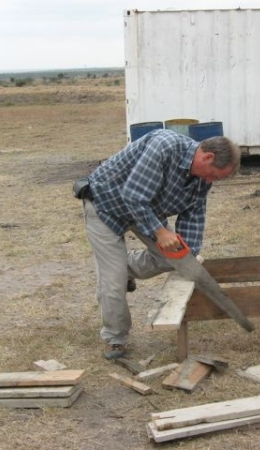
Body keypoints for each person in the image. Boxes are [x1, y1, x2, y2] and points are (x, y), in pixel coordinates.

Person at [81, 128, 241, 359]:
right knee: (112, 283)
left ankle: (123, 268)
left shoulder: (200, 181)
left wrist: (188, 257)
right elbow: (133, 196)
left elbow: (193, 218)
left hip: (146, 210)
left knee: (171, 259)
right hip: (106, 205)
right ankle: (116, 338)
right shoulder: (164, 146)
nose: (210, 182)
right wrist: (159, 230)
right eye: (213, 175)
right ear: (207, 157)